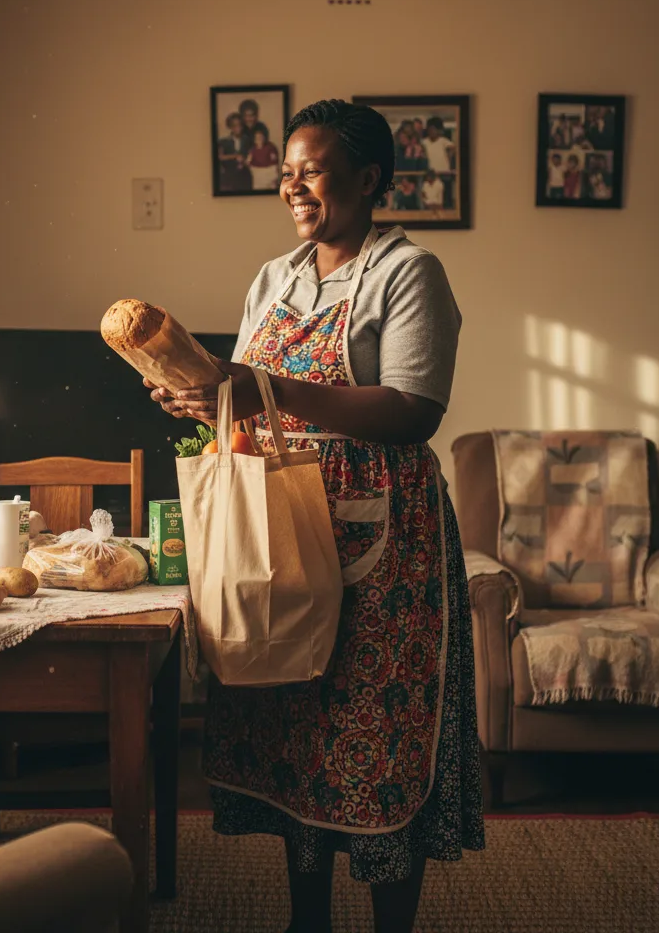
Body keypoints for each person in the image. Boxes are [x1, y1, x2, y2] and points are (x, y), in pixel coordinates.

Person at [146, 99, 484, 933]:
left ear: (369, 179)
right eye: (286, 170)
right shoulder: (276, 277)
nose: (293, 183)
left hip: (382, 543)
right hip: (282, 531)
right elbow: (252, 407)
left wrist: (261, 386)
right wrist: (202, 398)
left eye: (314, 167)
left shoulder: (411, 272)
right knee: (298, 734)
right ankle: (308, 923)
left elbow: (413, 410)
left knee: (377, 741)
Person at [217, 112, 253, 192]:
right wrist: (235, 156)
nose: (238, 128)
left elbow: (251, 155)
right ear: (230, 127)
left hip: (244, 175)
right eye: (234, 125)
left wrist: (245, 160)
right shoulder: (224, 142)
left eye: (239, 125)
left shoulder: (247, 140)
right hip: (229, 175)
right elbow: (220, 157)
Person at [248, 121, 280, 191]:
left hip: (269, 173)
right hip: (257, 175)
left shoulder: (271, 147)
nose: (259, 139)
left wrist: (274, 177)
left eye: (261, 137)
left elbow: (274, 164)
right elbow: (249, 162)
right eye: (256, 137)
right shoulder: (252, 150)